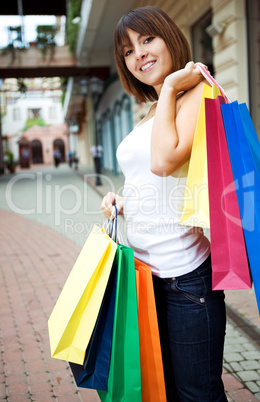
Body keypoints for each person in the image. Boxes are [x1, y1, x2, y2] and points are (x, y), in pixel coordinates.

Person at [101, 6, 227, 402]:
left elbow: (163, 161)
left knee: (197, 394)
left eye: (146, 39)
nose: (137, 54)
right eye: (127, 51)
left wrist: (172, 86)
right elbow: (151, 180)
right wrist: (121, 201)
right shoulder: (154, 109)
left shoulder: (198, 92)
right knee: (163, 391)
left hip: (185, 278)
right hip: (142, 275)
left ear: (168, 37)